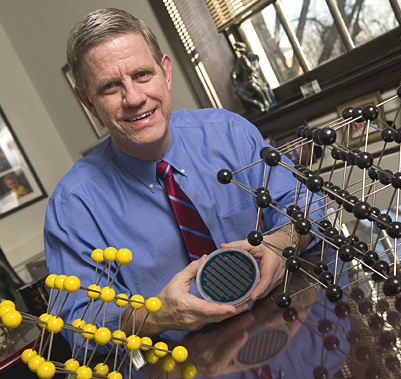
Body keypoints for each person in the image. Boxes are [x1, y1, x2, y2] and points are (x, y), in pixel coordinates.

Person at [44, 7, 323, 366]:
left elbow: (312, 209)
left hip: (292, 332)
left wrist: (281, 242)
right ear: (89, 102)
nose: (133, 98)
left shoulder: (230, 133)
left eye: (142, 74)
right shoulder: (73, 206)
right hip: (187, 366)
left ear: (166, 71)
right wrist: (159, 315)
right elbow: (79, 325)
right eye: (110, 87)